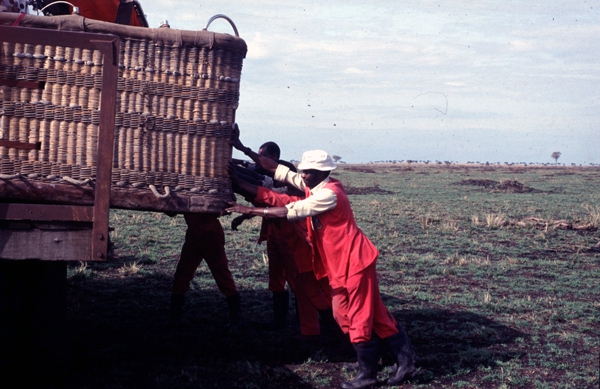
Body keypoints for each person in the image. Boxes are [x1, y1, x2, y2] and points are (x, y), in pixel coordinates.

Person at [226, 126, 416, 388]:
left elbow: (290, 209)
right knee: (348, 315)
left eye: (308, 172)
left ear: (323, 173)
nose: (302, 175)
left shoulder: (328, 195)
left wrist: (249, 209)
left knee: (359, 315)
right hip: (338, 263)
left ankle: (368, 373)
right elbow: (277, 170)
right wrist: (241, 147)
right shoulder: (313, 185)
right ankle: (402, 361)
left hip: (355, 261)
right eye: (302, 170)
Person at [229, 163, 334, 338]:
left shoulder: (299, 195)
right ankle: (309, 328)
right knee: (292, 284)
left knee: (307, 289)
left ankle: (325, 325)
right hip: (283, 241)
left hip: (302, 251)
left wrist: (238, 182)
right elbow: (265, 199)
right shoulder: (298, 190)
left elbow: (274, 203)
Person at [169, 213, 241, 328]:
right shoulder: (183, 193)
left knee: (221, 273)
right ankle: (174, 315)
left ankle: (236, 317)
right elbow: (171, 212)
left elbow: (226, 208)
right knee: (182, 273)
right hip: (193, 233)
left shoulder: (212, 193)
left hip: (210, 233)